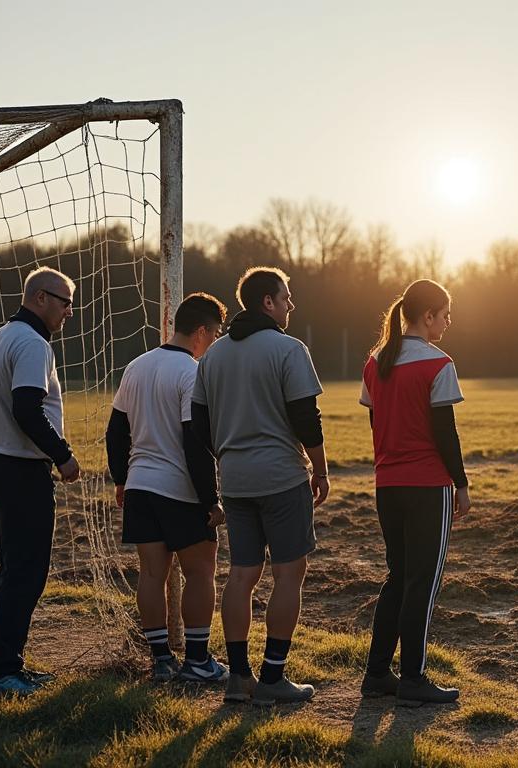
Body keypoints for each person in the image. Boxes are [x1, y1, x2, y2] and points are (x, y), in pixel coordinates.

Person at [191, 266, 328, 706]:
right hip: (281, 478)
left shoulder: (213, 355)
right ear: (267, 302)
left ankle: (237, 679)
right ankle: (272, 677)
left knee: (242, 575)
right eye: (286, 296)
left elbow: (197, 421)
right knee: (289, 574)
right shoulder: (289, 349)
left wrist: (227, 455)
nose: (292, 304)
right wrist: (320, 470)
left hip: (234, 479)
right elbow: (307, 417)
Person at [358, 278, 470, 707]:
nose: (448, 320)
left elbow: (375, 425)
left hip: (388, 486)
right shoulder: (438, 363)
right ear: (428, 316)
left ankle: (376, 675)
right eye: (444, 313)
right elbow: (446, 432)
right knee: (422, 582)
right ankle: (413, 678)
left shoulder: (376, 362)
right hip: (428, 486)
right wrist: (460, 483)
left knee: (398, 578)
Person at [106, 292, 228, 683]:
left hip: (140, 485)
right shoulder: (191, 372)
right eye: (214, 335)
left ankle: (160, 661)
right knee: (201, 571)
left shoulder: (137, 366)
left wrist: (122, 479)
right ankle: (196, 661)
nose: (213, 343)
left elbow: (115, 431)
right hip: (178, 488)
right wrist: (211, 500)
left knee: (151, 574)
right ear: (200, 332)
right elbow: (195, 442)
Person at [0, 266, 80, 695]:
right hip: (19, 470)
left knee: (11, 569)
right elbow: (26, 409)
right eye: (65, 302)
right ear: (39, 298)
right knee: (26, 572)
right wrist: (63, 455)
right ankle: (1, 671)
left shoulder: (2, 335)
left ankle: (3, 662)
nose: (68, 313)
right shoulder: (33, 344)